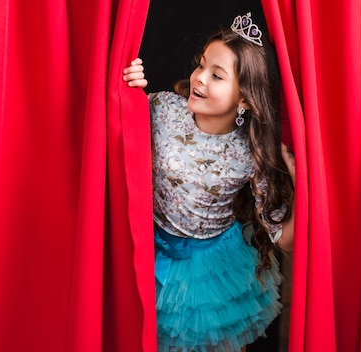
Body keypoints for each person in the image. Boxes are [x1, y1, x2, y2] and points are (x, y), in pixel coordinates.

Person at [122, 13, 296, 352]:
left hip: (212, 269)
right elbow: (118, 126)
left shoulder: (251, 152)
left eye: (216, 75)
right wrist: (128, 87)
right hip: (148, 249)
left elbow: (283, 240)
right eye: (201, 65)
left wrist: (301, 185)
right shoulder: (164, 108)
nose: (199, 78)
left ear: (245, 99)